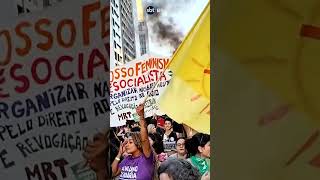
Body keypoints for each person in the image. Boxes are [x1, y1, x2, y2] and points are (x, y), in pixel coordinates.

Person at [111, 104, 156, 180]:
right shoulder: (127, 159)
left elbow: (144, 139)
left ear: (138, 143)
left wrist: (141, 116)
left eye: (130, 142)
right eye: (126, 142)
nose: (126, 145)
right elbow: (113, 173)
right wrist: (119, 154)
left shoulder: (146, 157)